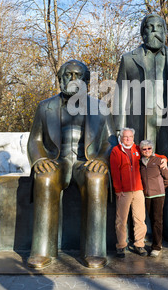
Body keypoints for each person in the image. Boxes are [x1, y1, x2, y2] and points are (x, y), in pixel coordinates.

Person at [113, 13, 168, 243]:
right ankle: (142, 227)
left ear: (165, 31)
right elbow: (120, 96)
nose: (153, 31)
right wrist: (118, 130)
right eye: (149, 27)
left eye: (158, 27)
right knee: (140, 175)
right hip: (139, 124)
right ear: (142, 32)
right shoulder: (129, 59)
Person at [27, 59, 117, 269]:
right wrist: (39, 159)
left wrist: (103, 160)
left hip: (86, 162)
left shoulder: (100, 108)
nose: (73, 80)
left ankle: (94, 250)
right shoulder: (45, 107)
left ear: (86, 81)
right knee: (45, 178)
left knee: (96, 178)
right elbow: (35, 140)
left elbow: (110, 140)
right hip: (56, 161)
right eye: (68, 75)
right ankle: (42, 250)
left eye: (78, 76)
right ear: (60, 79)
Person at [110, 127, 167, 258]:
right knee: (121, 220)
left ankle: (139, 245)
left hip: (138, 190)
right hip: (123, 191)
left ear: (133, 138)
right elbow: (114, 172)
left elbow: (152, 154)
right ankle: (121, 246)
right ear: (121, 138)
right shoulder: (116, 151)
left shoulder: (137, 149)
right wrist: (118, 190)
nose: (128, 139)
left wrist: (164, 158)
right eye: (125, 137)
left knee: (140, 219)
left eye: (130, 137)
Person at [139, 140, 168, 257]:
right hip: (147, 195)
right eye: (144, 149)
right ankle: (156, 242)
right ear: (141, 150)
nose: (147, 150)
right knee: (151, 219)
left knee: (157, 220)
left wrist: (160, 188)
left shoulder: (159, 161)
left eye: (149, 148)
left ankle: (157, 247)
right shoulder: (140, 162)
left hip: (158, 196)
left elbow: (167, 178)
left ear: (152, 149)